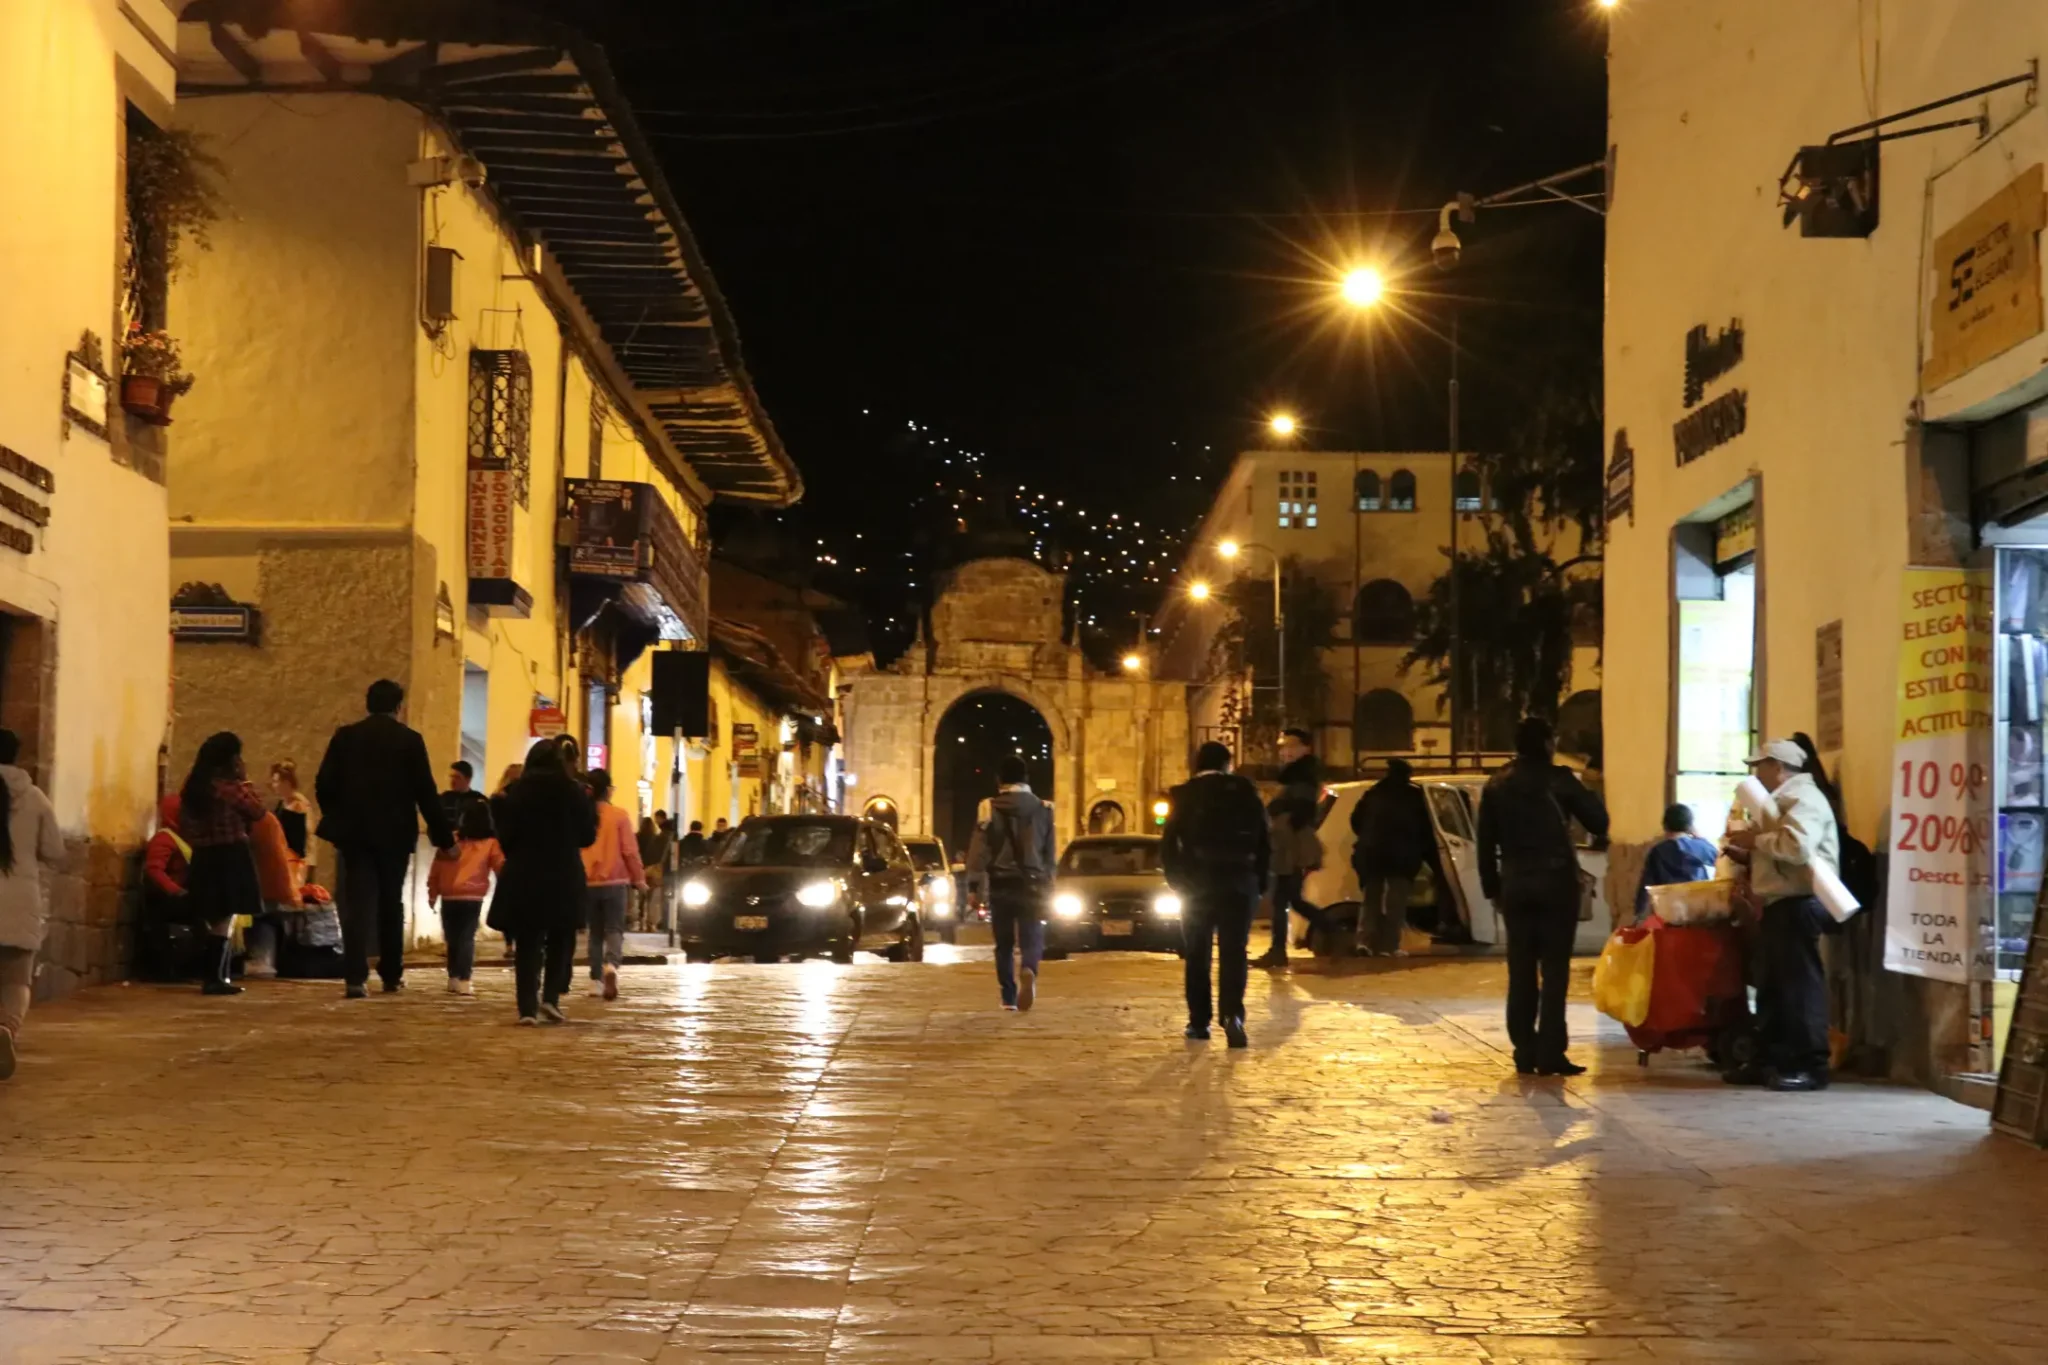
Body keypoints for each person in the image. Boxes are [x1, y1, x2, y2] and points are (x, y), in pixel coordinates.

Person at [1475, 717, 1609, 1076]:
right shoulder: (1560, 779)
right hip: (1555, 883)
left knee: (1520, 968)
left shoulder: (1497, 783)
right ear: (1549, 743)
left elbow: (1484, 842)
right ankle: (1550, 1052)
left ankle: (1524, 1049)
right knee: (1554, 970)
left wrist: (1493, 888)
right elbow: (1599, 821)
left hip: (1515, 882)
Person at [314, 680, 455, 999]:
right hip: (395, 834)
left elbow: (324, 783)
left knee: (358, 904)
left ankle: (355, 976)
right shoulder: (409, 741)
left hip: (355, 834)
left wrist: (337, 816)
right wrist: (445, 839)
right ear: (398, 707)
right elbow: (425, 792)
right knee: (391, 903)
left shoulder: (346, 737)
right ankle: (391, 972)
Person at [1722, 737, 1843, 1092]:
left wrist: (1755, 842)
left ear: (1777, 767)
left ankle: (1810, 1065)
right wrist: (1750, 854)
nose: (1755, 774)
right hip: (1780, 903)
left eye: (1759, 766)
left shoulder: (1804, 799)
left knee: (1799, 987)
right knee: (1773, 987)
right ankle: (1772, 1060)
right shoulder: (1782, 800)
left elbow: (1797, 846)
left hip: (1800, 903)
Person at [1161, 741, 1271, 1048]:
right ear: (1227, 764)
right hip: (1239, 881)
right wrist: (1259, 881)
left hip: (1197, 884)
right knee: (1234, 951)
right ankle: (1232, 1015)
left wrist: (1177, 880)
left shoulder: (1186, 794)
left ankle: (1199, 1022)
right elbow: (1264, 839)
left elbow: (1169, 843)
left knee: (1198, 952)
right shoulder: (1246, 792)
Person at [491, 739, 598, 1024]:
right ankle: (551, 998)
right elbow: (587, 836)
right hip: (563, 872)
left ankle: (527, 1007)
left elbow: (506, 835)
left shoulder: (517, 791)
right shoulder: (573, 792)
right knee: (560, 937)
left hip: (525, 872)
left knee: (528, 940)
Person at [178, 732, 270, 997]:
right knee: (225, 917)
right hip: (230, 854)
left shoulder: (193, 787)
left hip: (204, 855)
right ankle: (215, 977)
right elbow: (258, 811)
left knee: (212, 914)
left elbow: (186, 826)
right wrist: (244, 780)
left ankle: (216, 975)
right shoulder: (230, 788)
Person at [964, 756, 1055, 1011]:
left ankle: (1008, 996)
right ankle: (1029, 968)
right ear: (1026, 778)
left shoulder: (988, 808)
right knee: (1032, 936)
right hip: (1032, 883)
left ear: (999, 779)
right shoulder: (1044, 809)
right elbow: (1049, 855)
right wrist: (1049, 885)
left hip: (1001, 882)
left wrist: (974, 887)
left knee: (1003, 943)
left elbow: (979, 851)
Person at [0, 730, 66, 1079]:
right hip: (20, 899)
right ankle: (6, 1029)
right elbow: (54, 850)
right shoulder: (35, 797)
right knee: (16, 980)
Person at [1350, 758, 1440, 956]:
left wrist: (1368, 837)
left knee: (1370, 899)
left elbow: (1355, 821)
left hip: (1371, 854)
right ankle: (1389, 946)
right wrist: (1429, 856)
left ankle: (1364, 942)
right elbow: (1425, 829)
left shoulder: (1374, 793)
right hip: (1401, 856)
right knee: (1396, 903)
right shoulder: (1413, 796)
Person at [1257, 727, 1328, 967]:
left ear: (1305, 748)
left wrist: (1281, 819)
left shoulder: (1303, 776)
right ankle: (1328, 928)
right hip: (1288, 845)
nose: (1286, 751)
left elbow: (1301, 812)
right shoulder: (1295, 776)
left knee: (1282, 899)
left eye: (1291, 745)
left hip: (1290, 847)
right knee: (1291, 899)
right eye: (1283, 746)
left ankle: (1279, 950)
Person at [580, 769, 645, 1000]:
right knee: (614, 929)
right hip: (615, 881)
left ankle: (595, 980)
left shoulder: (582, 816)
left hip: (588, 882)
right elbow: (629, 851)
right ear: (608, 790)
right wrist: (639, 879)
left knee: (595, 933)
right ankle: (611, 966)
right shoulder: (619, 815)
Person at [426, 800, 502, 997]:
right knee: (466, 938)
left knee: (452, 938)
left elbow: (437, 867)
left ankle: (453, 976)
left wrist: (433, 892)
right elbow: (500, 866)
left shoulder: (452, 841)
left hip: (449, 894)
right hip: (472, 896)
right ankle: (465, 979)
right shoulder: (490, 843)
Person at [1634, 803, 1718, 920]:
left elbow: (1645, 886)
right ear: (1689, 827)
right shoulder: (1701, 847)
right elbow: (1719, 858)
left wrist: (1638, 914)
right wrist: (1700, 838)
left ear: (1665, 826)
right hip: (1699, 912)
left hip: (1668, 912)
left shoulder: (1658, 851)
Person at [637, 813, 670, 930]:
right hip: (657, 869)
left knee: (644, 894)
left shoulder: (639, 837)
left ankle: (642, 916)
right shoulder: (657, 837)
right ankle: (652, 921)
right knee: (655, 896)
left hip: (645, 867)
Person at [440, 760, 490, 835]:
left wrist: (461, 833)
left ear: (468, 779)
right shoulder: (444, 798)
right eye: (451, 776)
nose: (452, 781)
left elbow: (485, 827)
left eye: (457, 777)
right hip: (445, 840)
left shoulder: (479, 800)